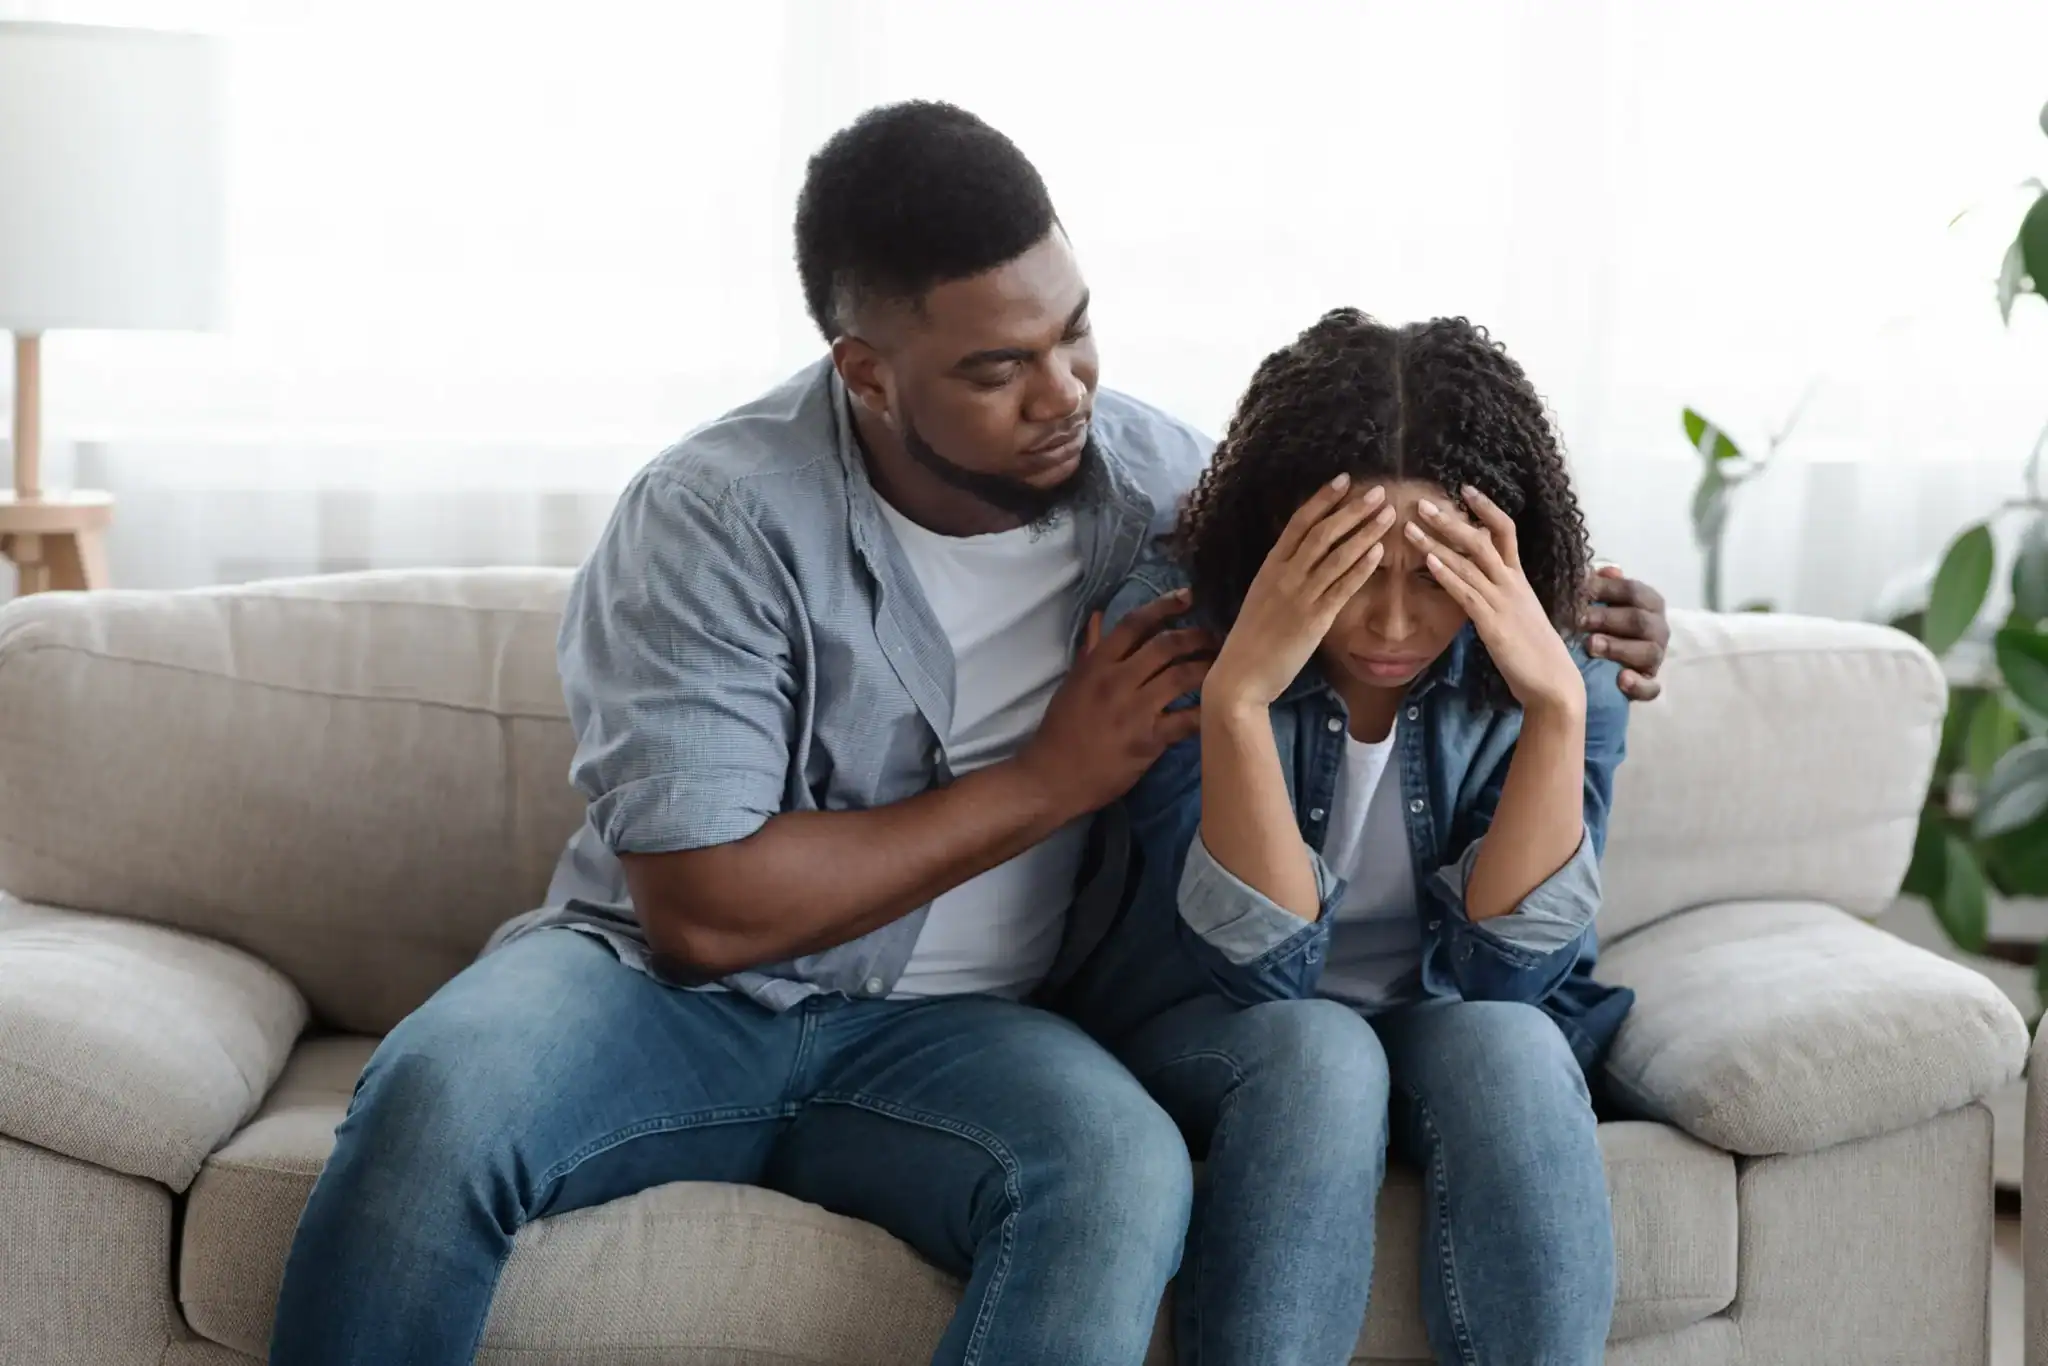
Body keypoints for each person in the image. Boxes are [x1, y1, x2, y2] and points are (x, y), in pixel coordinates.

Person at [269, 102, 1669, 1366]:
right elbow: (698, 916)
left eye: (1075, 332)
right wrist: (1051, 779)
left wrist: (1581, 607)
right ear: (868, 373)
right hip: (663, 998)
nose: (1064, 391)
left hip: (974, 1033)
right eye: (1001, 365)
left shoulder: (1161, 487)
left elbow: (1381, 539)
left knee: (1119, 1172)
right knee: (439, 1102)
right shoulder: (713, 517)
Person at [1061, 309, 1635, 1366]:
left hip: (1451, 1018)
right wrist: (1238, 697)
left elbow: (1513, 972)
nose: (1389, 626)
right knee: (1319, 1051)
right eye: (1351, 572)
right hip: (1216, 1025)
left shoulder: (1566, 657)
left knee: (1514, 1042)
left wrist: (1553, 706)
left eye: (1433, 579)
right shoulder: (1171, 630)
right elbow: (1259, 969)